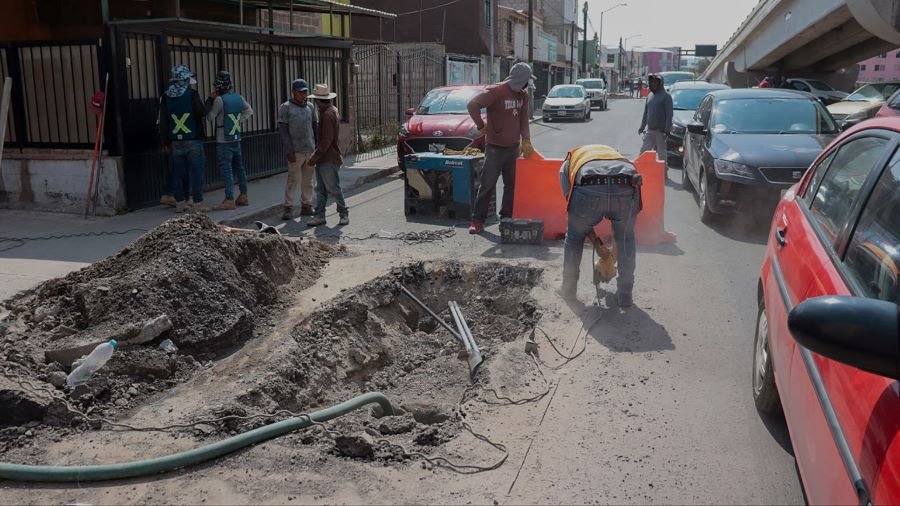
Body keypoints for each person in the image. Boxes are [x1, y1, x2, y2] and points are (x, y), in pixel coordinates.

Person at [558, 145, 642, 307]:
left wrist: (609, 254)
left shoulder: (566, 166)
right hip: (626, 184)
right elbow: (621, 229)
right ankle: (625, 295)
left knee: (574, 237)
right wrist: (601, 248)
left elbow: (579, 218)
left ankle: (568, 289)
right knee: (627, 238)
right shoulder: (615, 156)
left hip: (589, 186)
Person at [465, 62, 535, 234]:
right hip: (495, 149)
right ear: (520, 80)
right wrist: (481, 125)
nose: (527, 85)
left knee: (511, 185)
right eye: (526, 81)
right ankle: (477, 220)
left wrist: (526, 140)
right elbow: (472, 105)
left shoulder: (523, 95)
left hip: (513, 148)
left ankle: (506, 218)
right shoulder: (496, 91)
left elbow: (523, 119)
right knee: (487, 184)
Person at [159, 64, 207, 213]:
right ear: (185, 79)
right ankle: (197, 203)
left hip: (175, 141)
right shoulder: (192, 94)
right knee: (196, 172)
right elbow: (202, 112)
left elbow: (163, 121)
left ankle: (180, 202)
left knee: (178, 172)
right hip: (193, 139)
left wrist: (166, 142)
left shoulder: (166, 97)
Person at [206, 71, 253, 211]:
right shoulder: (238, 97)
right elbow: (249, 111)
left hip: (223, 139)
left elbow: (209, 117)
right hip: (236, 137)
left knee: (226, 169)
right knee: (240, 167)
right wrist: (237, 121)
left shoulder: (220, 100)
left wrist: (210, 100)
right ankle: (244, 195)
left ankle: (229, 199)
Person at [307, 84, 348, 227]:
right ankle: (319, 216)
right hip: (326, 157)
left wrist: (314, 157)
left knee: (333, 188)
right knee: (321, 189)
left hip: (328, 158)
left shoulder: (327, 114)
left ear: (318, 100)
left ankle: (343, 213)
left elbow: (326, 140)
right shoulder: (331, 111)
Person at [278, 79, 318, 220]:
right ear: (294, 92)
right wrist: (289, 150)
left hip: (309, 149)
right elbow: (283, 131)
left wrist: (316, 148)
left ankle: (306, 205)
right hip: (295, 151)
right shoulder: (286, 107)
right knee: (293, 180)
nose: (303, 95)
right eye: (301, 92)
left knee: (308, 181)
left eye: (305, 92)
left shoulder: (310, 107)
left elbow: (314, 127)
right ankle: (288, 207)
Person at [638, 74, 673, 170]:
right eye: (652, 82)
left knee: (662, 154)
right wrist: (642, 127)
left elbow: (669, 114)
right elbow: (646, 113)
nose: (653, 84)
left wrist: (667, 130)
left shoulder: (666, 96)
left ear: (660, 83)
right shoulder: (650, 95)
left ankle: (663, 172)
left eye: (655, 82)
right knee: (644, 151)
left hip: (661, 132)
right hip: (650, 131)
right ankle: (640, 171)